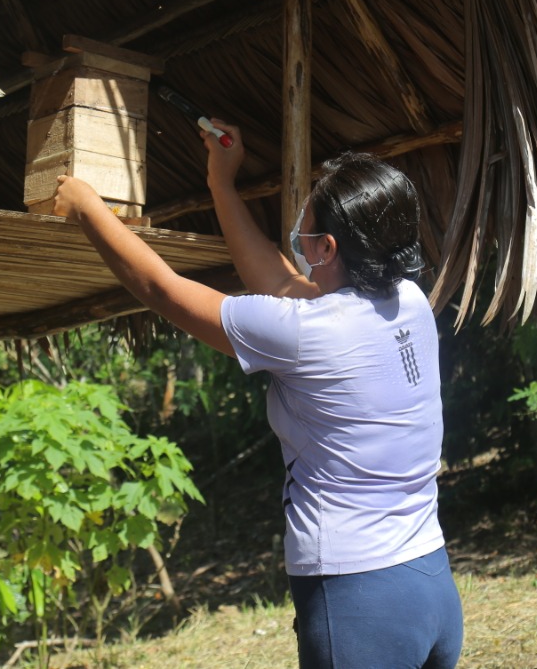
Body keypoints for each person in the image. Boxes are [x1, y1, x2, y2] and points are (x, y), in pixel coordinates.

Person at [52, 120, 463, 669]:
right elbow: (282, 283)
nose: (297, 235)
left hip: (359, 598)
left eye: (306, 228)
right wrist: (222, 183)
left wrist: (86, 206)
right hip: (430, 581)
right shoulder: (408, 300)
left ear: (327, 247)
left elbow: (161, 290)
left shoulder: (308, 333)